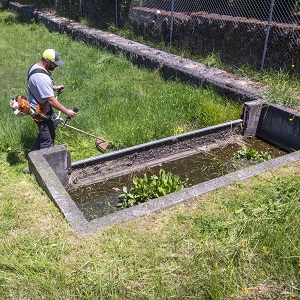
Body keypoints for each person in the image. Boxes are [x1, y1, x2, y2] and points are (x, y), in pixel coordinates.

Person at [28, 49, 77, 151]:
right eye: (55, 64)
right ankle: (44, 165)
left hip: (42, 108)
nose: (57, 66)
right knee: (47, 140)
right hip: (40, 111)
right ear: (47, 62)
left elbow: (38, 86)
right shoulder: (42, 78)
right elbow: (51, 100)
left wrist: (53, 88)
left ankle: (32, 156)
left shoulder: (35, 67)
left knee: (49, 131)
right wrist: (67, 111)